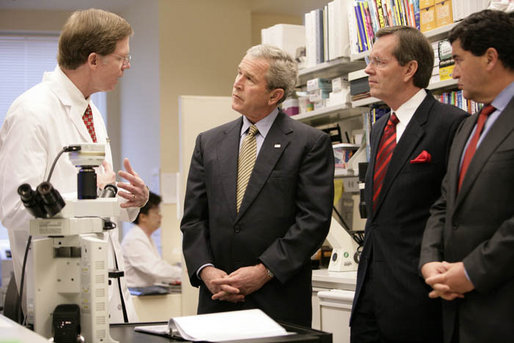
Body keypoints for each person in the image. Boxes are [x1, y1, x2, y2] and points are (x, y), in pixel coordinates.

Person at [0, 8, 149, 323]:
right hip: (58, 292)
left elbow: (101, 202)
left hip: (108, 286)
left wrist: (132, 202)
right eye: (122, 58)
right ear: (94, 60)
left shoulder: (91, 111)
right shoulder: (31, 112)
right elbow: (14, 209)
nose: (127, 66)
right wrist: (90, 192)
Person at [180, 44, 334, 327]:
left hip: (277, 300)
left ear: (275, 95)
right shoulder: (209, 142)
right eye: (239, 73)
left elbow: (312, 221)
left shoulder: (309, 144)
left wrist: (264, 271)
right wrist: (206, 271)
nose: (237, 83)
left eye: (249, 79)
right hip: (217, 300)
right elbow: (193, 219)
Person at [350, 26, 467, 343]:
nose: (367, 69)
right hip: (368, 294)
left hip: (416, 295)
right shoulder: (379, 128)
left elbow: (450, 209)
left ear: (409, 69)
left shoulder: (451, 123)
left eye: (378, 61)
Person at [420, 9, 514, 343]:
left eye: (459, 60)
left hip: (502, 309)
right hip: (456, 309)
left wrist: (473, 271)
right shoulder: (468, 126)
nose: (454, 71)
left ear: (490, 57)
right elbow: (445, 203)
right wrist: (430, 263)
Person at [122, 192, 181, 287]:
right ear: (143, 217)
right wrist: (182, 274)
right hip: (138, 296)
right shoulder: (134, 239)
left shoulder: (144, 237)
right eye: (156, 212)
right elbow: (156, 269)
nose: (160, 216)